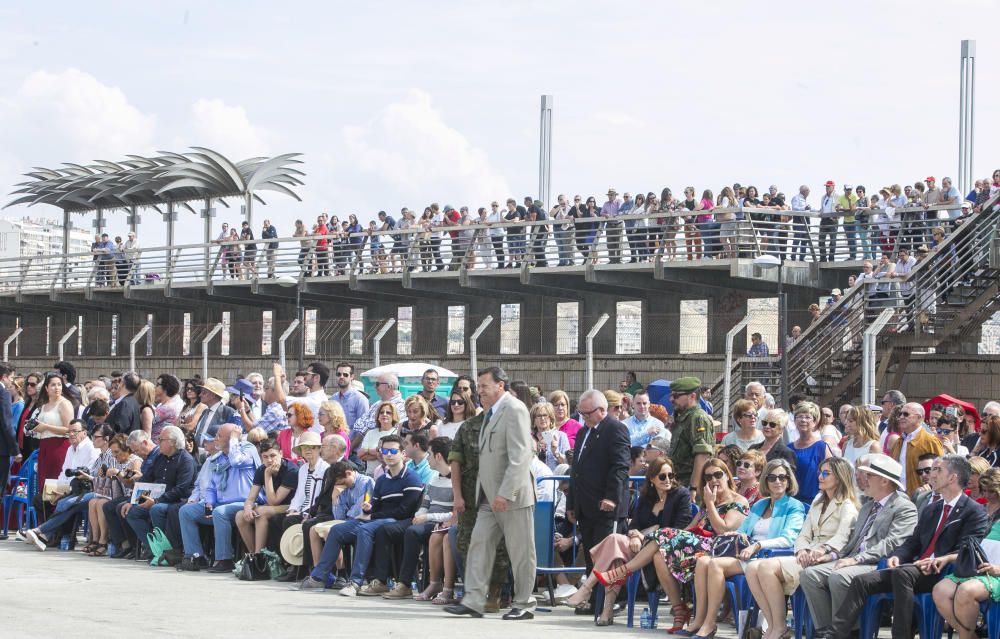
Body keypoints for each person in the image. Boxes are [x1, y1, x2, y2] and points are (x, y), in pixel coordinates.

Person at [829, 455, 988, 639]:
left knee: (902, 575)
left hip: (944, 572)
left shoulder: (974, 511)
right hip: (915, 569)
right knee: (861, 581)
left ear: (952, 478)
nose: (931, 475)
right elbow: (913, 542)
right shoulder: (931, 509)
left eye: (938, 470)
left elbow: (968, 550)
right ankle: (835, 635)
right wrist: (898, 556)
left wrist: (942, 559)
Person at [591, 458, 749, 631]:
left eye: (718, 474)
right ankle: (679, 611)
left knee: (665, 533)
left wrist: (709, 503)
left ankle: (621, 572)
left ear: (727, 475)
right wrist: (672, 538)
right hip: (697, 549)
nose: (713, 480)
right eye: (708, 477)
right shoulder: (708, 502)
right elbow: (690, 529)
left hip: (718, 550)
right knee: (660, 554)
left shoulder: (738, 501)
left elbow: (723, 529)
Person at [445, 366, 538, 620]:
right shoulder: (489, 413)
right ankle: (474, 600)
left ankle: (524, 604)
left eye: (484, 386)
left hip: (512, 498)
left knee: (521, 553)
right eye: (479, 386)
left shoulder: (515, 409)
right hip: (488, 497)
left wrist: (506, 493)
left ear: (501, 385)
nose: (479, 391)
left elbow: (520, 456)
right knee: (479, 544)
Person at [799, 454, 918, 637]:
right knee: (809, 574)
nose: (863, 479)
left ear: (884, 480)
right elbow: (853, 542)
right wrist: (831, 556)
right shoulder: (867, 506)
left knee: (839, 577)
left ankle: (849, 632)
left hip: (877, 563)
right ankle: (825, 631)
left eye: (869, 476)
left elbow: (892, 543)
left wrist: (856, 559)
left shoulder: (904, 507)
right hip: (853, 559)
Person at [566, 457, 693, 626]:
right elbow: (633, 525)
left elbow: (679, 529)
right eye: (662, 476)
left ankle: (590, 592)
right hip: (640, 547)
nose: (668, 480)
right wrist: (634, 535)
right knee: (614, 542)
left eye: (671, 475)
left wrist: (644, 536)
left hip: (665, 549)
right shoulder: (647, 497)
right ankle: (601, 603)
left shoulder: (681, 495)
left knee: (615, 547)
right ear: (652, 478)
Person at [686, 459, 806, 639]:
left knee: (715, 565)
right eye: (772, 477)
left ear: (789, 480)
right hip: (748, 554)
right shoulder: (761, 504)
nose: (777, 481)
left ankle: (710, 624)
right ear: (766, 481)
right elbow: (742, 531)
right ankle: (700, 620)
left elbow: (788, 539)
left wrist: (757, 545)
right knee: (703, 561)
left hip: (768, 556)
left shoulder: (793, 506)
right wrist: (739, 536)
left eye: (782, 477)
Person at [746, 457, 860, 639]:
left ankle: (779, 627)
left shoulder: (847, 505)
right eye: (820, 472)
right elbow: (804, 534)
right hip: (805, 555)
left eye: (826, 473)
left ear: (839, 477)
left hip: (827, 558)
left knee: (766, 567)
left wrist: (822, 550)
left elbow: (842, 537)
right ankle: (775, 625)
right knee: (752, 568)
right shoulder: (818, 501)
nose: (820, 477)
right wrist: (801, 550)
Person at [296, 433, 421, 595]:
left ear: (403, 454)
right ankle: (318, 577)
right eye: (385, 451)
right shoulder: (383, 479)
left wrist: (372, 515)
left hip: (397, 521)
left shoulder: (411, 478)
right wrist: (369, 508)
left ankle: (355, 582)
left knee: (364, 530)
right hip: (379, 519)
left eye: (393, 451)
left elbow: (405, 511)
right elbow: (375, 505)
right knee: (337, 530)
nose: (388, 455)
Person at [560, 388, 630, 615]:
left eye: (587, 413)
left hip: (606, 505)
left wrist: (611, 496)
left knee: (608, 556)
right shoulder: (583, 432)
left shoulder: (615, 429)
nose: (584, 417)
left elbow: (619, 467)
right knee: (591, 553)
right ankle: (594, 601)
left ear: (602, 410)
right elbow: (576, 471)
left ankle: (614, 600)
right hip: (585, 504)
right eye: (581, 413)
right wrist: (572, 503)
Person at [371, 437, 455, 600]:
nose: (427, 457)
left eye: (429, 454)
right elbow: (425, 503)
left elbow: (454, 513)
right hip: (426, 519)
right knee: (392, 530)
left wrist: (427, 517)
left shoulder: (455, 480)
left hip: (441, 522)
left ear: (438, 457)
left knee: (412, 532)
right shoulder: (433, 478)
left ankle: (405, 583)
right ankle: (388, 581)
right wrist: (419, 515)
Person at [176, 422, 261, 572]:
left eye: (219, 436)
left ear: (231, 438)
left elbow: (236, 462)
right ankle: (196, 557)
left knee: (219, 512)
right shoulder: (218, 458)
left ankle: (224, 559)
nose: (215, 439)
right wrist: (209, 503)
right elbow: (211, 486)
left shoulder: (248, 449)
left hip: (247, 503)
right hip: (220, 505)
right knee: (186, 511)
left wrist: (235, 439)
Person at [123, 425, 196, 561]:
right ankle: (153, 547)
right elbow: (146, 479)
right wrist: (133, 501)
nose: (158, 442)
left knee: (157, 509)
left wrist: (156, 501)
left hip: (176, 501)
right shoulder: (160, 457)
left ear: (173, 442)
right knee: (132, 512)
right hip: (156, 498)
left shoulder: (186, 460)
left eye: (161, 439)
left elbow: (181, 488)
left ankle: (167, 550)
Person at [30, 372, 75, 497]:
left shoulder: (64, 403)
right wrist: (36, 429)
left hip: (59, 445)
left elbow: (69, 429)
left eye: (59, 385)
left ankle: (56, 512)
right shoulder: (44, 406)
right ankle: (45, 514)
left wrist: (45, 427)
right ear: (46, 388)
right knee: (43, 482)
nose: (57, 388)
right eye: (53, 385)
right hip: (44, 445)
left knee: (54, 482)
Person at [667, 377, 715, 491]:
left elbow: (703, 455)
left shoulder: (698, 417)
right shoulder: (684, 418)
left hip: (690, 485)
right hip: (679, 483)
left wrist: (693, 488)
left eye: (676, 396)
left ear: (692, 396)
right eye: (672, 395)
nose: (671, 399)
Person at [890, 402, 944, 494]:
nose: (901, 417)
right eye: (900, 414)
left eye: (906, 414)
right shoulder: (898, 442)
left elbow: (941, 471)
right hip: (898, 498)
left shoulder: (930, 441)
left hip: (921, 498)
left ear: (919, 418)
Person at [791, 401, 832, 503]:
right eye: (799, 416)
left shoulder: (821, 447)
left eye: (807, 417)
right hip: (791, 502)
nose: (803, 420)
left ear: (815, 422)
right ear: (795, 420)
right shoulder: (789, 448)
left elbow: (831, 473)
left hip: (815, 502)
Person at [191, 378, 235, 449]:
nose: (200, 395)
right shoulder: (205, 412)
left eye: (204, 392)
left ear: (213, 395)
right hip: (198, 453)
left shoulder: (227, 412)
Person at [359, 402, 399, 475]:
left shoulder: (397, 433)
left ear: (394, 416)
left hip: (389, 475)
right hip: (370, 475)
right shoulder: (370, 433)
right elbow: (361, 454)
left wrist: (369, 451)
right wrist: (379, 453)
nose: (384, 414)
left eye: (388, 413)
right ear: (378, 415)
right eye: (381, 412)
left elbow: (393, 455)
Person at [530, 402, 570, 470]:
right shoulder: (530, 439)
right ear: (534, 420)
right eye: (539, 416)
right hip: (535, 478)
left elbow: (568, 464)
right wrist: (536, 452)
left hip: (555, 478)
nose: (542, 418)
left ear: (551, 418)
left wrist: (556, 453)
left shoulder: (561, 437)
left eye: (545, 415)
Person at [0, 363, 19, 510]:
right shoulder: (3, 393)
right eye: (11, 378)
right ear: (4, 377)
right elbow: (6, 424)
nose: (11, 381)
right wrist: (15, 449)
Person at [329, 362, 369, 431]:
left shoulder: (360, 399)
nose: (341, 377)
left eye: (345, 375)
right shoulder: (332, 399)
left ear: (352, 377)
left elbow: (364, 428)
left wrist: (352, 442)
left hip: (352, 441)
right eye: (339, 374)